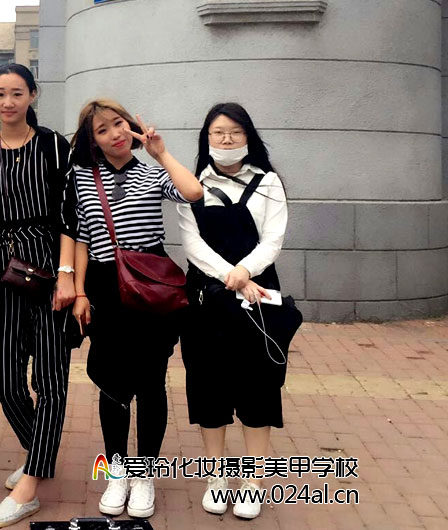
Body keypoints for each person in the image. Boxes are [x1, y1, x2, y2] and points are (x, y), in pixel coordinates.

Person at [69, 99, 202, 518]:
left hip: (151, 288)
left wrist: (161, 152)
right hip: (106, 288)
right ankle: (117, 472)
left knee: (150, 384)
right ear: (93, 141)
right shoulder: (81, 178)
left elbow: (193, 192)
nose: (115, 134)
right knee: (112, 384)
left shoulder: (151, 172)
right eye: (103, 130)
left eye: (119, 124)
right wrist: (79, 292)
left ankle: (144, 476)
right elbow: (81, 239)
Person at [0, 64, 79, 528]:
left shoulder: (54, 145)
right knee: (8, 382)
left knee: (50, 380)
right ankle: (39, 454)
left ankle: (30, 485)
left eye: (17, 92)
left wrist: (68, 276)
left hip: (49, 265)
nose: (8, 101)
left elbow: (71, 215)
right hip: (2, 270)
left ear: (33, 94)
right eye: (0, 93)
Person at [177, 102, 288, 520]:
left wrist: (245, 272)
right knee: (209, 386)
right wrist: (232, 275)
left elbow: (273, 239)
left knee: (259, 388)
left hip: (258, 297)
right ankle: (217, 478)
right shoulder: (192, 185)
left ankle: (254, 482)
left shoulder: (269, 182)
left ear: (248, 137)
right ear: (206, 139)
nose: (226, 140)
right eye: (218, 133)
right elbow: (191, 244)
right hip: (206, 298)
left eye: (235, 132)